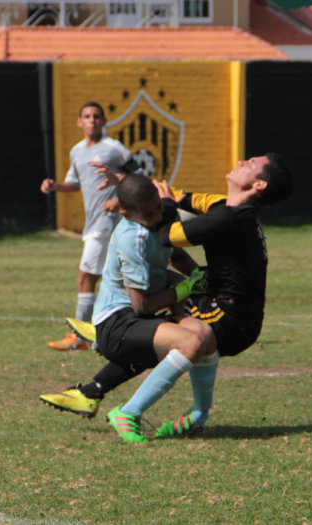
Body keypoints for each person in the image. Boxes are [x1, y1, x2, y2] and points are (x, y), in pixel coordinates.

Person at [42, 153, 294, 443]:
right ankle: (102, 383)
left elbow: (167, 235)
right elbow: (176, 197)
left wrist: (162, 206)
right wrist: (126, 184)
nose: (241, 161)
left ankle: (110, 349)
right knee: (168, 324)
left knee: (169, 331)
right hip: (223, 304)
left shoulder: (229, 218)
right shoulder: (223, 206)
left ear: (259, 185)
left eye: (250, 164)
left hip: (230, 317)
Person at [40, 173, 216, 443]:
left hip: (141, 317)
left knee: (206, 337)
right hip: (118, 324)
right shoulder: (131, 239)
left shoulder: (163, 216)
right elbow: (141, 304)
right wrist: (188, 287)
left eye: (159, 207)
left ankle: (197, 416)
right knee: (189, 343)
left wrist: (202, 281)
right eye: (148, 214)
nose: (158, 217)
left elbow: (176, 254)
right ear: (126, 214)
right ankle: (128, 412)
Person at [40, 102, 140, 351]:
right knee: (114, 280)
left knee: (86, 278)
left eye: (97, 116)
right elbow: (73, 183)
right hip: (94, 223)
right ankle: (113, 332)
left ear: (104, 121)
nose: (92, 120)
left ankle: (80, 336)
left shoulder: (114, 149)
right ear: (79, 122)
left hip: (109, 224)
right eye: (87, 116)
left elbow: (138, 177)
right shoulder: (77, 151)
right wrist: (55, 186)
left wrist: (119, 199)